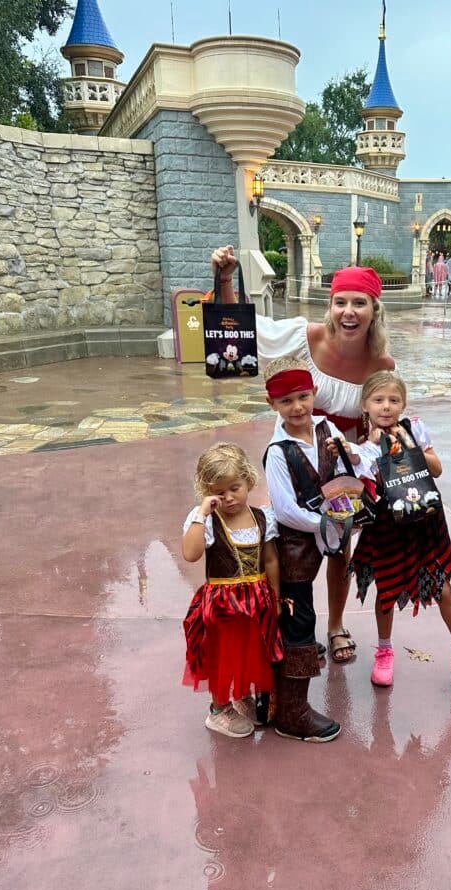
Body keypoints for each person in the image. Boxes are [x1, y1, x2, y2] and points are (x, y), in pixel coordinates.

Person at [210, 247, 395, 665]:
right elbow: (241, 331)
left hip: (338, 460)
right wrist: (224, 280)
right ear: (331, 306)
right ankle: (297, 626)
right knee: (296, 542)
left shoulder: (383, 362)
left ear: (374, 309)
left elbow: (381, 414)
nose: (349, 312)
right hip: (295, 454)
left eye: (359, 303)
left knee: (339, 544)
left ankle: (336, 625)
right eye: (341, 302)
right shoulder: (303, 335)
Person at [263, 356, 370, 741]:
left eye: (303, 397)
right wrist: (329, 524)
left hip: (330, 533)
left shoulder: (326, 430)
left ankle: (278, 698)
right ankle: (291, 713)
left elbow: (348, 469)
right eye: (287, 401)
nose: (297, 407)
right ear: (272, 404)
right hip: (295, 549)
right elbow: (285, 510)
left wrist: (353, 462)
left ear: (314, 395)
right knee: (296, 621)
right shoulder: (278, 451)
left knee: (305, 617)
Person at [350, 371, 451, 697]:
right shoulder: (363, 447)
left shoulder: (413, 429)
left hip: (423, 521)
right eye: (378, 400)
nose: (386, 406)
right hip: (387, 525)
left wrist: (410, 448)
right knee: (386, 589)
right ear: (366, 405)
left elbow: (436, 468)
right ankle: (384, 650)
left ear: (403, 404)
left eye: (393, 400)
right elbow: (364, 486)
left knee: (443, 589)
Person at [181, 443, 283, 738]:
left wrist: (276, 595)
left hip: (257, 601)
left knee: (251, 652)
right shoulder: (208, 521)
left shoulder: (263, 517)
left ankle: (241, 695)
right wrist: (202, 511)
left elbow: (271, 558)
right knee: (224, 656)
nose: (228, 498)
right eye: (219, 492)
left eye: (234, 488)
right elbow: (190, 554)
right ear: (207, 491)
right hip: (223, 605)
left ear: (248, 480)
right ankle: (218, 710)